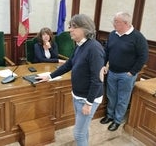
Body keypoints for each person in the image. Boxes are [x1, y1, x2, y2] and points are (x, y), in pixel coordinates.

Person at [37, 14, 105, 146]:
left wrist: (89, 103)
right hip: (78, 95)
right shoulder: (80, 45)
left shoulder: (94, 49)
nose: (70, 30)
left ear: (85, 29)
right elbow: (69, 64)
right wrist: (50, 76)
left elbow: (97, 80)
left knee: (78, 134)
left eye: (74, 27)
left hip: (87, 99)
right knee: (83, 130)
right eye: (70, 26)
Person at [100, 12, 148, 131]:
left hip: (127, 75)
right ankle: (110, 116)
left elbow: (143, 56)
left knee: (122, 99)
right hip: (112, 72)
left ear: (126, 23)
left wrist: (132, 72)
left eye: (116, 21)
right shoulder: (112, 34)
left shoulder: (138, 37)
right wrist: (104, 65)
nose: (113, 23)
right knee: (111, 96)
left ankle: (117, 120)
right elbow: (106, 52)